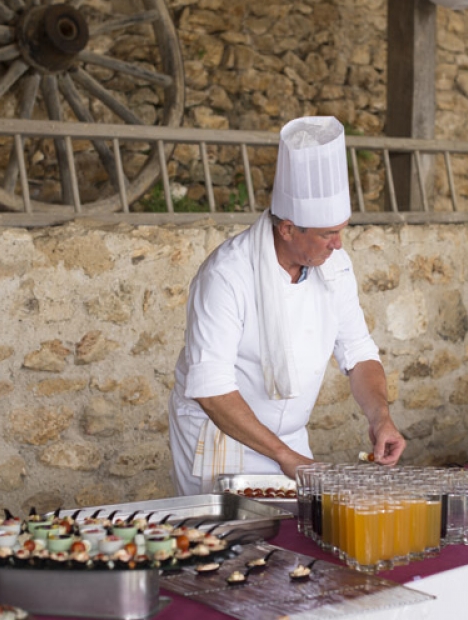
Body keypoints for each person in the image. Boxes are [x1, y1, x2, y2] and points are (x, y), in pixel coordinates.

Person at [167, 116, 407, 495]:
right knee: (232, 532)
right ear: (288, 229)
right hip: (221, 438)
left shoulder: (336, 266)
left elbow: (359, 353)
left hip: (290, 443)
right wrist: (283, 455)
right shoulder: (227, 275)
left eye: (341, 230)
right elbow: (211, 388)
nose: (338, 244)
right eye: (328, 234)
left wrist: (381, 418)